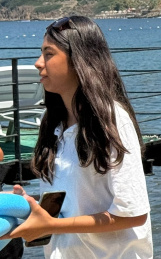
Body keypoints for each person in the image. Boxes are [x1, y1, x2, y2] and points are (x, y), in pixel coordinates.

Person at [2, 16, 152, 258]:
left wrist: (51, 226)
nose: (38, 63)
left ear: (78, 60)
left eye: (48, 54)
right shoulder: (51, 124)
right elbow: (71, 205)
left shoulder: (112, 120)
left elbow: (133, 214)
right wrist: (32, 208)